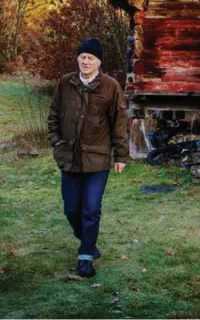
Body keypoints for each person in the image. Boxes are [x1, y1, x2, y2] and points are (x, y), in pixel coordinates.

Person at [46, 38, 130, 278]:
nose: (85, 61)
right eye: (82, 57)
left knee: (90, 210)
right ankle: (90, 243)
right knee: (72, 210)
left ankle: (85, 259)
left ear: (99, 62)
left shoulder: (111, 87)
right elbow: (53, 116)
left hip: (98, 160)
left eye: (90, 58)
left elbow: (119, 124)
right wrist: (57, 142)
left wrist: (121, 155)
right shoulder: (65, 83)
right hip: (69, 158)